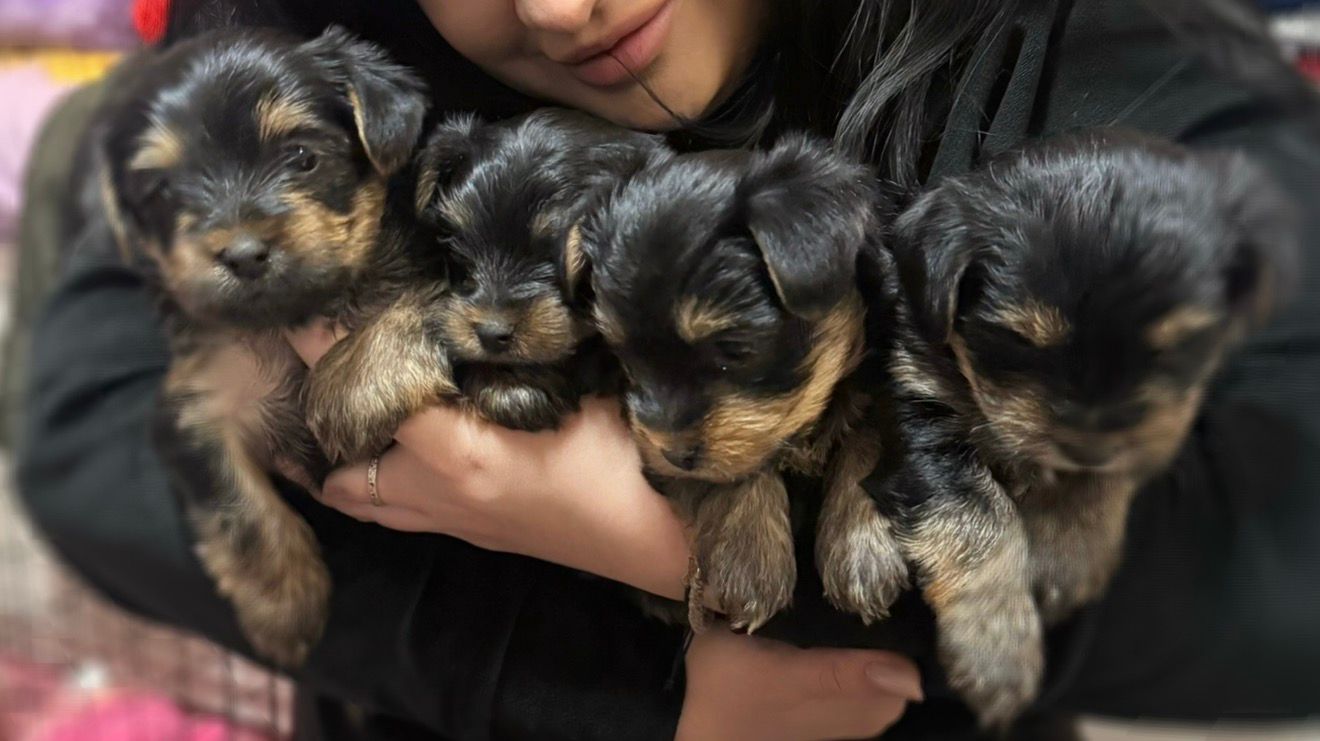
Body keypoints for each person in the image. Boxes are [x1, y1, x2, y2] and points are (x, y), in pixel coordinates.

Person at [11, 0, 1320, 739]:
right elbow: (92, 424)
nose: (561, 6)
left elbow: (1280, 577)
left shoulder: (1082, 62)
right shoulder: (320, 56)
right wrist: (648, 697)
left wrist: (641, 528)